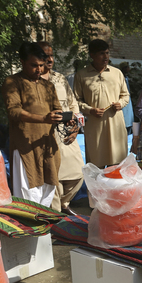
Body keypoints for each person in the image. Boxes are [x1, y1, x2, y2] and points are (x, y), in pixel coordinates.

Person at [2, 42, 62, 207]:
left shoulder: (48, 86)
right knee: (28, 194)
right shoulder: (13, 82)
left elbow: (57, 110)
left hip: (48, 145)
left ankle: (43, 230)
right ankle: (30, 231)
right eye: (34, 65)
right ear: (22, 61)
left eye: (41, 66)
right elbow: (14, 111)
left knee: (48, 189)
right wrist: (43, 119)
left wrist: (68, 120)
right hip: (25, 147)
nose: (39, 70)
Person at [38, 41, 84, 215]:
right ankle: (56, 215)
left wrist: (76, 128)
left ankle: (64, 204)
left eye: (51, 55)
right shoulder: (32, 81)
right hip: (45, 134)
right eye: (45, 55)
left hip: (66, 132)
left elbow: (74, 106)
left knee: (78, 174)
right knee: (53, 177)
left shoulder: (60, 78)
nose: (49, 59)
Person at [73, 39, 130, 167]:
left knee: (116, 164)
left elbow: (125, 95)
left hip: (116, 124)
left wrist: (120, 103)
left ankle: (115, 187)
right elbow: (76, 100)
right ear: (92, 55)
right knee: (95, 165)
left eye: (107, 53)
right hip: (94, 126)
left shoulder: (117, 73)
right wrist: (90, 110)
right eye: (101, 53)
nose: (105, 57)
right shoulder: (82, 75)